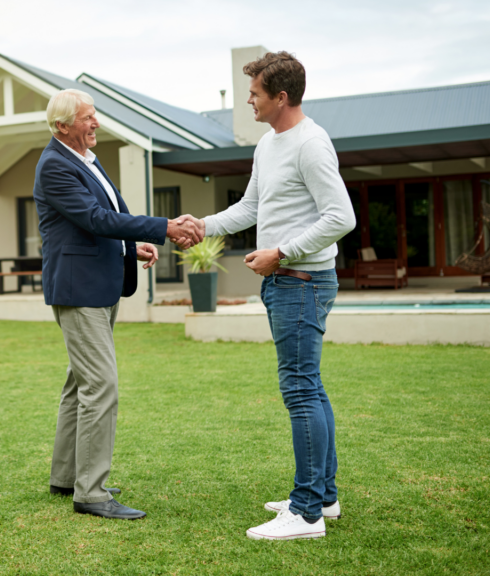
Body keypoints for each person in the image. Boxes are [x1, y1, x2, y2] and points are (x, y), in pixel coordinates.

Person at [188, 52, 355, 539]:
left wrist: (280, 253)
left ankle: (305, 514)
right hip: (287, 282)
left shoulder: (311, 144)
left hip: (301, 283)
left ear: (281, 97)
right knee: (311, 388)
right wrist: (201, 226)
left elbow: (340, 217)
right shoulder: (269, 143)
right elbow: (252, 206)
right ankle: (323, 497)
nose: (249, 100)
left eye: (256, 93)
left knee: (300, 390)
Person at [34, 88, 203, 520]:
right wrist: (164, 227)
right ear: (62, 126)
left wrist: (133, 246)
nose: (96, 124)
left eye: (95, 116)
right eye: (88, 118)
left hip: (99, 286)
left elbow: (106, 218)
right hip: (80, 291)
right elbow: (94, 219)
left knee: (80, 385)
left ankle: (67, 476)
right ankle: (91, 494)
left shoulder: (85, 158)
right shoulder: (55, 165)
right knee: (100, 386)